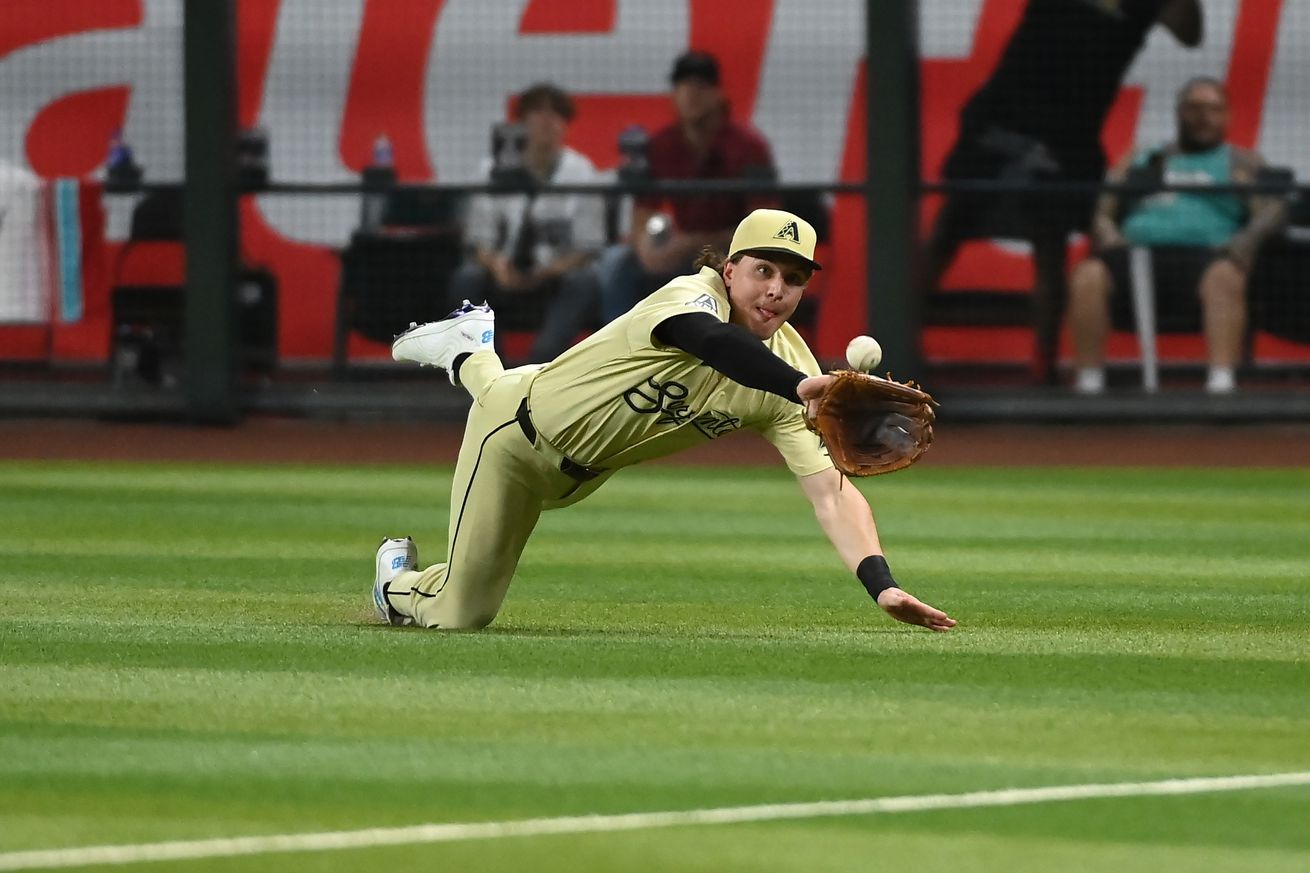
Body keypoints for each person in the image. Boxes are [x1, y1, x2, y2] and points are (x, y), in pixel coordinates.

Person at [377, 208, 955, 633]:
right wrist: (799, 385)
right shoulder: (689, 298)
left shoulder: (793, 375)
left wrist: (883, 587)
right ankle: (393, 583)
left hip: (579, 469)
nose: (776, 290)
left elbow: (832, 493)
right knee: (460, 614)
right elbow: (710, 341)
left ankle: (472, 349)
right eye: (763, 270)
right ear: (729, 270)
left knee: (506, 394)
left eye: (794, 278)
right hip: (513, 438)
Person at [922, 0, 1203, 384]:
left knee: (1050, 246)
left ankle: (1043, 370)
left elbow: (1190, 34)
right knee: (947, 231)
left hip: (1068, 140)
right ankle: (891, 352)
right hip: (1001, 118)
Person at [1068, 76, 1287, 394]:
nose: (1204, 117)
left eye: (1214, 109)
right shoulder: (1144, 156)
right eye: (1195, 108)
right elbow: (1103, 205)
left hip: (1206, 257)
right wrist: (1110, 236)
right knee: (1088, 275)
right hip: (1134, 254)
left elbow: (1272, 212)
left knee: (1226, 276)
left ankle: (1221, 382)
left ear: (1227, 116)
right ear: (1179, 113)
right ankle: (1089, 382)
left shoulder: (1242, 162)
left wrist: (1241, 245)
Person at [598, 51, 777, 323]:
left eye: (700, 88)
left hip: (732, 253)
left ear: (717, 95)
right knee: (618, 263)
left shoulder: (749, 147)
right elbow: (642, 212)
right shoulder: (662, 145)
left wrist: (690, 244)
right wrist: (649, 253)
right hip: (679, 251)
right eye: (683, 87)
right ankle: (620, 352)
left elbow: (766, 225)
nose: (690, 95)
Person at [451, 82, 606, 362]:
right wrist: (498, 266)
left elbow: (588, 247)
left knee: (584, 281)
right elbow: (478, 241)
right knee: (467, 278)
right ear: (520, 123)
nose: (547, 121)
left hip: (556, 276)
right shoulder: (492, 171)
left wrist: (546, 271)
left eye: (556, 114)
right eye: (537, 113)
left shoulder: (581, 171)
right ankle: (489, 366)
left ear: (565, 125)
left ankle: (543, 361)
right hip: (502, 274)